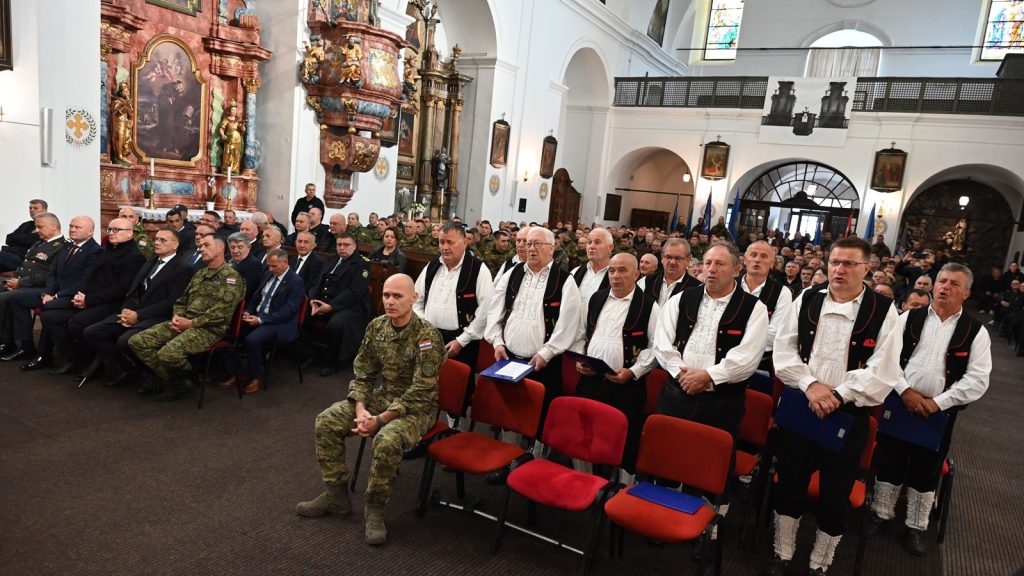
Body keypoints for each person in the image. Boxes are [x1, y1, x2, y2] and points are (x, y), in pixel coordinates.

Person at [766, 236, 902, 576]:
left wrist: (838, 395)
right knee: (790, 484)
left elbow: (883, 370)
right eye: (835, 262)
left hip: (848, 415)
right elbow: (784, 351)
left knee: (834, 495)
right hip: (802, 406)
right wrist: (811, 386)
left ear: (867, 268)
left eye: (850, 264)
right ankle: (782, 554)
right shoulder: (808, 298)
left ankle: (819, 564)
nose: (839, 269)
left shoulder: (884, 311)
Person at [295, 274, 445, 546]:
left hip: (417, 408)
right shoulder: (377, 327)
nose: (390, 301)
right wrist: (362, 409)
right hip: (382, 398)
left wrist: (381, 419)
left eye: (397, 296)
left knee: (387, 440)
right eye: (386, 295)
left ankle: (374, 509)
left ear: (414, 298)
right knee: (326, 421)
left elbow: (423, 390)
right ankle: (336, 495)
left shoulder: (427, 336)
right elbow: (363, 373)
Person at [868, 263, 990, 556]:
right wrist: (905, 391)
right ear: (933, 286)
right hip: (899, 402)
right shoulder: (909, 316)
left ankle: (915, 526)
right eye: (942, 281)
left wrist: (937, 402)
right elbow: (886, 358)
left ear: (967, 293)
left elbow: (977, 379)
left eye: (954, 284)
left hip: (939, 412)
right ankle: (881, 513)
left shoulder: (976, 331)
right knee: (889, 460)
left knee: (927, 468)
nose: (945, 287)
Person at [652, 241, 767, 463]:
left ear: (736, 269)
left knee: (708, 465)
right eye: (708, 263)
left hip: (722, 402)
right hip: (677, 394)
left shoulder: (754, 308)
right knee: (667, 460)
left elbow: (747, 357)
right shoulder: (682, 298)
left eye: (720, 264)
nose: (712, 269)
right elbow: (662, 343)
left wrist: (708, 377)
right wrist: (682, 375)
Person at [485, 226, 582, 440]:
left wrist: (546, 354)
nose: (531, 249)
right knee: (510, 414)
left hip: (543, 363)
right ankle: (509, 461)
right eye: (528, 244)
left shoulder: (565, 280)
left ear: (552, 248)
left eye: (537, 244)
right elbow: (495, 309)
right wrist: (497, 342)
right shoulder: (513, 272)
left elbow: (568, 324)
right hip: (509, 357)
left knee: (540, 420)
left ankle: (534, 460)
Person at [129, 234, 245, 401]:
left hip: (209, 329)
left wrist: (190, 323)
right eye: (200, 245)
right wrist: (177, 317)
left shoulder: (231, 278)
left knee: (168, 353)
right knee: (138, 341)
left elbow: (220, 314)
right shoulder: (200, 274)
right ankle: (179, 379)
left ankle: (182, 378)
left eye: (206, 245)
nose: (201, 248)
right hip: (184, 322)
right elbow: (182, 300)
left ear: (220, 248)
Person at [573, 253, 659, 473]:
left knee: (622, 442)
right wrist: (581, 358)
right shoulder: (595, 298)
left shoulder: (650, 306)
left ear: (636, 274)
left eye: (622, 270)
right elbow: (582, 334)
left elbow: (654, 347)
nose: (616, 276)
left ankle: (619, 488)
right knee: (584, 434)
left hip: (626, 386)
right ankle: (585, 478)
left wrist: (633, 371)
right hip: (591, 381)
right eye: (612, 271)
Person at [80, 229, 192, 388]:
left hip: (158, 316)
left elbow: (171, 303)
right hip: (134, 311)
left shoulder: (182, 268)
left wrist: (138, 315)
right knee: (92, 332)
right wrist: (127, 310)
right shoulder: (151, 261)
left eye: (163, 240)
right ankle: (127, 370)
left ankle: (148, 374)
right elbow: (133, 291)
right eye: (157, 239)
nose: (157, 243)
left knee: (125, 341)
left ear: (175, 245)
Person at [39, 218, 147, 375]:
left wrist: (88, 300)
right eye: (110, 229)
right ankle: (73, 357)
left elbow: (121, 290)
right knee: (49, 315)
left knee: (76, 323)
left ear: (130, 233)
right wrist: (81, 294)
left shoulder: (134, 257)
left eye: (117, 230)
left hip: (113, 303)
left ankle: (89, 361)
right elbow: (88, 276)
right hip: (91, 298)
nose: (111, 233)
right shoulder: (107, 249)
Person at [5, 216, 102, 370]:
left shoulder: (95, 251)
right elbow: (52, 274)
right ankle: (26, 346)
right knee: (16, 300)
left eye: (78, 227)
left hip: (73, 295)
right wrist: (47, 293)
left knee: (49, 310)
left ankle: (45, 354)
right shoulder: (67, 247)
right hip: (53, 292)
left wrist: (56, 296)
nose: (73, 229)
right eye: (71, 226)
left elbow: (84, 282)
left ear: (90, 232)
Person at [414, 223, 492, 395]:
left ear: (465, 242)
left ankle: (453, 421)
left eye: (450, 242)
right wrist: (423, 325)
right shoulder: (433, 265)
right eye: (441, 242)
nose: (444, 247)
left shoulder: (478, 269)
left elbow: (485, 311)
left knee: (455, 388)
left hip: (460, 341)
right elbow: (416, 300)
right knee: (424, 379)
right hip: (428, 336)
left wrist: (462, 340)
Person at [222, 249, 305, 394]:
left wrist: (261, 320)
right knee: (226, 332)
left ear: (285, 263)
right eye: (269, 265)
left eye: (274, 266)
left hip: (279, 324)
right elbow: (256, 297)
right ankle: (236, 371)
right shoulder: (268, 274)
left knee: (252, 340)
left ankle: (255, 377)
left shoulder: (296, 282)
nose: (270, 269)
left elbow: (288, 311)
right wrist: (247, 311)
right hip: (259, 316)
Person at [0, 212, 66, 358]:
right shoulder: (38, 244)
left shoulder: (61, 247)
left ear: (53, 227)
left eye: (40, 227)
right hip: (23, 284)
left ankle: (20, 345)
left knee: (6, 299)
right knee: (3, 289)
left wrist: (20, 283)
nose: (36, 230)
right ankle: (6, 341)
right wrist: (12, 281)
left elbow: (50, 275)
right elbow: (23, 266)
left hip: (40, 287)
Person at [308, 233, 371, 376]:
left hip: (350, 306)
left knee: (336, 324)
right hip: (324, 302)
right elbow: (318, 282)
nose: (342, 248)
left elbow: (355, 291)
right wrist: (312, 300)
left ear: (354, 247)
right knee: (301, 314)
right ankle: (309, 354)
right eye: (339, 245)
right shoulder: (332, 259)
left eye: (346, 245)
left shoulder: (362, 264)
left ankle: (332, 362)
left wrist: (332, 307)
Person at [740, 241, 793, 363]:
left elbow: (774, 332)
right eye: (753, 255)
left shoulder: (782, 292)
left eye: (764, 256)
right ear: (745, 260)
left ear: (772, 263)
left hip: (759, 359)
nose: (757, 260)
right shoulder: (729, 285)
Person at [637, 238, 702, 306]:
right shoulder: (645, 282)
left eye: (678, 258)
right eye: (668, 257)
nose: (672, 262)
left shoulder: (697, 288)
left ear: (688, 260)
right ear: (662, 258)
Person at [0, 199, 49, 273]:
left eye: (35, 208)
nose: (31, 210)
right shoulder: (26, 224)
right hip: (7, 255)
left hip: (22, 259)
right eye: (30, 208)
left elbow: (33, 241)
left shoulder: (46, 226)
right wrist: (27, 237)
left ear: (45, 210)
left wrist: (18, 237)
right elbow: (8, 239)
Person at [570, 228, 613, 307]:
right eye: (589, 242)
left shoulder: (616, 276)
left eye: (597, 242)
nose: (591, 246)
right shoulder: (575, 272)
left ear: (610, 247)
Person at [226, 232, 266, 303]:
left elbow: (246, 291)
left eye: (240, 247)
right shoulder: (225, 259)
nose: (235, 251)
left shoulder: (254, 265)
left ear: (249, 247)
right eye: (232, 247)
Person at [218, 100, 245, 175]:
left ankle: (234, 169)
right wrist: (223, 135)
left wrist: (242, 126)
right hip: (229, 139)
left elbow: (242, 131)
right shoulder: (226, 119)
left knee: (236, 154)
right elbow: (221, 128)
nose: (234, 111)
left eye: (235, 110)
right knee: (228, 153)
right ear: (229, 111)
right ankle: (226, 169)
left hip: (238, 140)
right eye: (233, 110)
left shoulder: (238, 120)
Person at [110, 82, 134, 165]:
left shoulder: (125, 101)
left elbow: (130, 114)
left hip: (125, 122)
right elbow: (116, 112)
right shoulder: (117, 101)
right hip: (118, 122)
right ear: (120, 92)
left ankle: (123, 155)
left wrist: (129, 107)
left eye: (127, 91)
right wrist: (125, 106)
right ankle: (119, 156)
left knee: (125, 139)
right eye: (124, 91)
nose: (126, 93)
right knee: (119, 138)